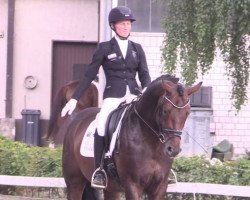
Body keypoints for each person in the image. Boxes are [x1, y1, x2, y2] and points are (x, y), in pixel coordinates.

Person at [61, 6, 151, 189]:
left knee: (152, 122)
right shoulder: (104, 48)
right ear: (113, 26)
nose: (126, 27)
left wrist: (147, 93)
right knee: (101, 124)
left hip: (134, 95)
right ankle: (100, 170)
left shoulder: (137, 49)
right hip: (113, 97)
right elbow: (88, 75)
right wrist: (74, 99)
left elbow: (145, 76)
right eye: (122, 24)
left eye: (128, 24)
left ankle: (159, 167)